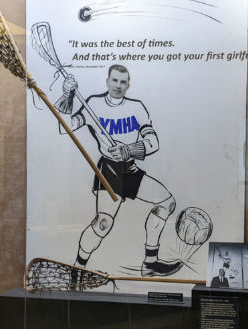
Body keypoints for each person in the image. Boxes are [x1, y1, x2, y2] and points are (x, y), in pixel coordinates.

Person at [60, 64, 182, 277]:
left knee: (166, 203)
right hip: (109, 170)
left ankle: (150, 263)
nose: (118, 85)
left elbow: (153, 141)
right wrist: (67, 95)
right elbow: (64, 126)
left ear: (128, 85)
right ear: (107, 81)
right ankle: (78, 269)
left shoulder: (137, 107)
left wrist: (128, 150)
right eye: (114, 80)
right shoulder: (93, 105)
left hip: (130, 168)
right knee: (104, 223)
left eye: (123, 82)